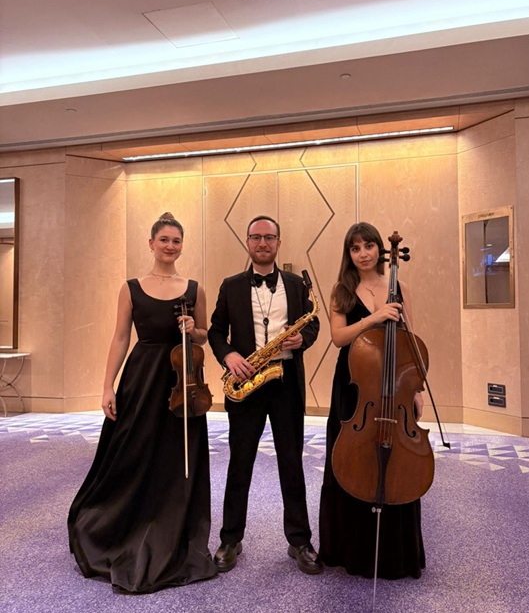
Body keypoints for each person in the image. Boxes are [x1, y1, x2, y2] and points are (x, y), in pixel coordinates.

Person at [68, 212, 217, 593]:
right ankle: (124, 523)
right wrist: (107, 386)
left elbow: (204, 335)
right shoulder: (131, 288)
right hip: (141, 378)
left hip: (182, 382)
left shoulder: (194, 289)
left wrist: (194, 330)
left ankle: (172, 526)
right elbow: (121, 338)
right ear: (151, 244)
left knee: (175, 457)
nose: (170, 246)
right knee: (132, 453)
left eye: (176, 241)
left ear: (182, 246)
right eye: (164, 239)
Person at [207, 215, 321, 575]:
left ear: (278, 243)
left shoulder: (295, 284)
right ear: (247, 242)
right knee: (240, 462)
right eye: (256, 237)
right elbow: (215, 331)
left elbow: (313, 323)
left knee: (292, 462)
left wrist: (302, 339)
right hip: (246, 384)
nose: (262, 243)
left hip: (285, 383)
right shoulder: (230, 286)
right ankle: (230, 538)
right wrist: (229, 356)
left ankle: (299, 540)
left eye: (269, 237)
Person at [319, 222, 426, 579]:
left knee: (395, 460)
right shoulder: (342, 290)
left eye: (369, 246)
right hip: (354, 385)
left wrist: (416, 390)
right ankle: (351, 550)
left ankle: (396, 553)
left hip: (395, 385)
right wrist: (376, 318)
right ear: (348, 254)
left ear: (381, 249)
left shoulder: (400, 287)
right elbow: (338, 337)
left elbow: (411, 340)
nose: (363, 254)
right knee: (350, 458)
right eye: (355, 248)